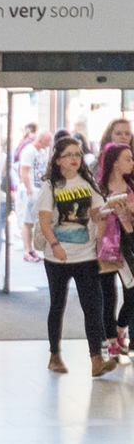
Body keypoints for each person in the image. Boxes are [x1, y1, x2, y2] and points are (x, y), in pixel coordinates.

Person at [37, 137, 116, 377]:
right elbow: (44, 221)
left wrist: (100, 216)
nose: (74, 159)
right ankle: (54, 355)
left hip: (85, 256)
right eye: (69, 155)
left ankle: (96, 359)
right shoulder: (51, 186)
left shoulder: (88, 183)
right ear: (58, 160)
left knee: (93, 306)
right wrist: (54, 244)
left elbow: (98, 214)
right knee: (57, 305)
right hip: (57, 257)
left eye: (78, 154)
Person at [95, 142, 134, 358]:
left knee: (131, 292)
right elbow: (92, 217)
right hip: (105, 247)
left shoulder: (131, 186)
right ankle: (110, 340)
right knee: (108, 295)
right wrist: (104, 211)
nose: (132, 163)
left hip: (128, 245)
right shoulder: (99, 188)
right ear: (115, 163)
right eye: (128, 158)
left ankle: (121, 328)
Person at [19, 130, 53, 263]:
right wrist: (29, 190)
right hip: (31, 190)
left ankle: (31, 249)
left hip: (39, 189)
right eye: (47, 141)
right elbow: (24, 172)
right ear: (41, 140)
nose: (49, 144)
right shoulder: (29, 151)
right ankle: (27, 250)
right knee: (27, 221)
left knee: (34, 221)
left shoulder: (42, 152)